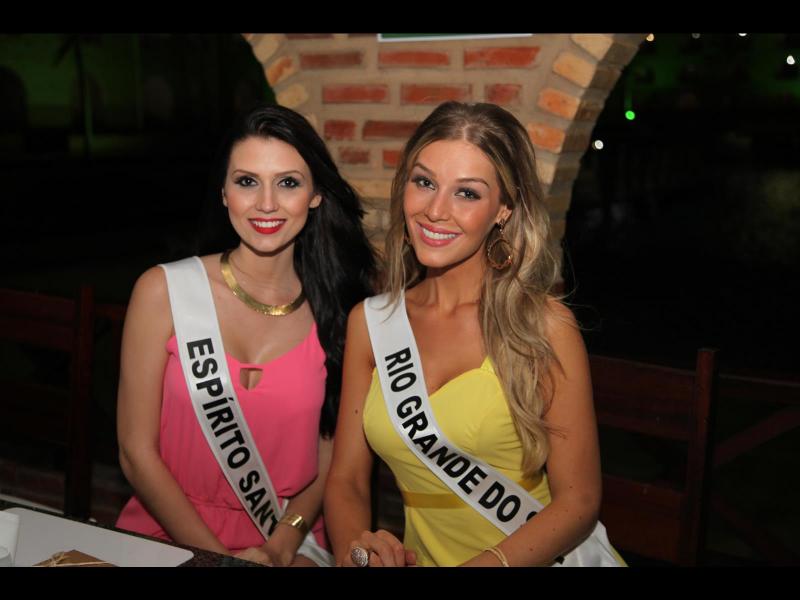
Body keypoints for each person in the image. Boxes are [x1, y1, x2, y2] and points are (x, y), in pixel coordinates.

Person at [324, 101, 624, 567]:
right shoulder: (372, 323)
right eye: (424, 182)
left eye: (466, 193)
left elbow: (580, 502)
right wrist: (357, 553)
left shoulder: (544, 326)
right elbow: (346, 480)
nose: (435, 211)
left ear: (503, 210)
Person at [115, 103, 377, 566]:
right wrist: (222, 562)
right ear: (224, 192)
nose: (266, 204)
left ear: (316, 194)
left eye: (288, 183)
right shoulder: (163, 291)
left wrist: (279, 546)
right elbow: (136, 453)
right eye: (247, 181)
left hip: (288, 538)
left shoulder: (341, 311)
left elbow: (331, 465)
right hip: (165, 533)